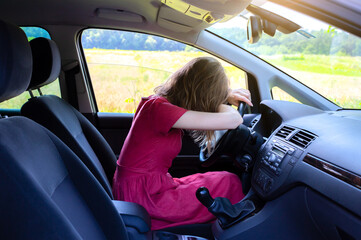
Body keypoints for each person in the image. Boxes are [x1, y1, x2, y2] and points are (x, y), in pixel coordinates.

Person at [112, 56, 253, 230]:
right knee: (229, 183)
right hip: (145, 196)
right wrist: (223, 97)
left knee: (224, 178)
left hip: (148, 187)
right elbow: (234, 120)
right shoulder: (160, 110)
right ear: (202, 91)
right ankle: (244, 230)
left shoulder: (158, 104)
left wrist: (224, 95)